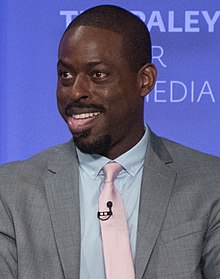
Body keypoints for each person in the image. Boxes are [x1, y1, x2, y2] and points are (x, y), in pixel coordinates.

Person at [0, 5, 220, 279]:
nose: (76, 91)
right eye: (65, 75)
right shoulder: (9, 192)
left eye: (98, 75)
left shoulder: (212, 184)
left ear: (145, 80)